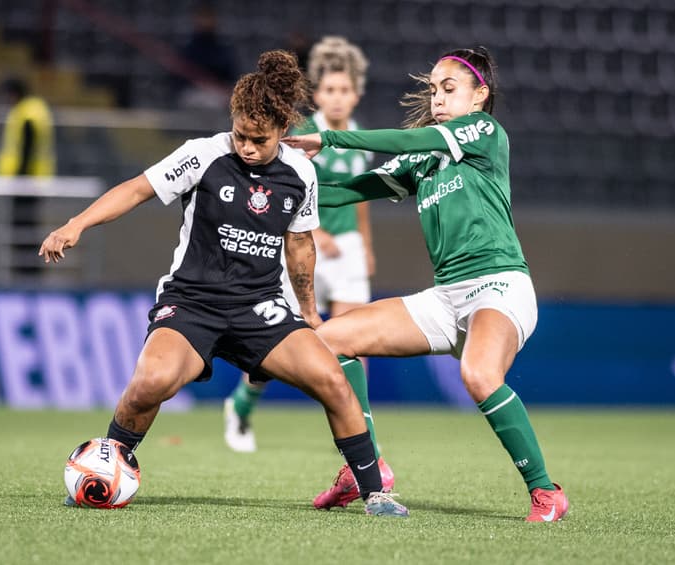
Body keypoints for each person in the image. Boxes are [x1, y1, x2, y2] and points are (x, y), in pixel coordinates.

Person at [38, 50, 408, 518]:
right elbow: (136, 189)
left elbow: (299, 246)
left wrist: (309, 311)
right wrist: (76, 225)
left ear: (281, 131)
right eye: (241, 135)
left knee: (332, 380)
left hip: (260, 306)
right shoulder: (203, 154)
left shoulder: (300, 173)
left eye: (260, 139)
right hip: (191, 303)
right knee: (151, 382)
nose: (248, 147)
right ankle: (109, 461)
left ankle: (374, 492)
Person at [283, 47, 569, 522]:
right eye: (433, 89)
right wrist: (286, 187)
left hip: (499, 285)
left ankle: (545, 491)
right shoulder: (425, 157)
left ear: (480, 96)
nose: (437, 97)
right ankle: (366, 466)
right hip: (445, 295)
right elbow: (356, 189)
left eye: (449, 89)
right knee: (329, 340)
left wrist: (329, 138)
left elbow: (397, 142)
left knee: (479, 376)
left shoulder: (484, 132)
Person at [221, 36, 393, 509]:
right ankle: (241, 405)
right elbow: (285, 198)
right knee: (278, 349)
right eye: (330, 90)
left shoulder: (358, 139)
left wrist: (366, 246)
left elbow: (359, 200)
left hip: (350, 252)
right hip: (304, 250)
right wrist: (313, 239)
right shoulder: (302, 137)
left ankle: (369, 452)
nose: (337, 98)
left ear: (356, 95)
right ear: (318, 95)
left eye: (345, 90)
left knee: (355, 345)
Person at [0, 77, 56, 279]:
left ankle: (26, 271)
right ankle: (29, 269)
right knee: (28, 225)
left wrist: (20, 177)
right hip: (33, 180)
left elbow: (27, 149)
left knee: (24, 227)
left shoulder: (27, 113)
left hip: (26, 182)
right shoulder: (35, 109)